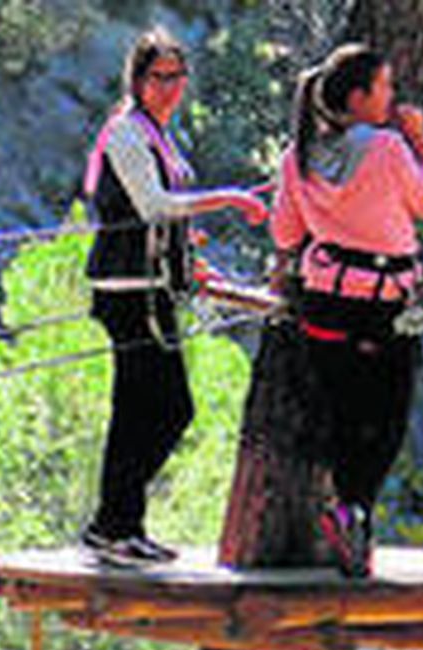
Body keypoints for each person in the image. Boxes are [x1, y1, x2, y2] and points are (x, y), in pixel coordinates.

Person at [80, 28, 267, 565]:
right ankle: (113, 523)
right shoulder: (126, 132)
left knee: (141, 410)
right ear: (137, 81)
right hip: (130, 291)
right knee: (166, 409)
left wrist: (187, 261)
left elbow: (166, 219)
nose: (170, 87)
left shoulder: (155, 133)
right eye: (159, 77)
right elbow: (154, 205)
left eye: (177, 77)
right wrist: (228, 199)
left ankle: (119, 525)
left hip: (152, 287)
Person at [271, 42, 423, 576]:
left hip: (325, 300)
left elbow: (285, 234)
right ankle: (354, 508)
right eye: (384, 86)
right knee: (387, 416)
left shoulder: (298, 155)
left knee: (343, 412)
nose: (391, 96)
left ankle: (350, 511)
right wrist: (422, 146)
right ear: (358, 96)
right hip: (383, 302)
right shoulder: (389, 147)